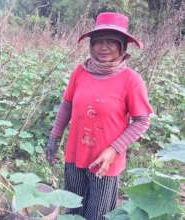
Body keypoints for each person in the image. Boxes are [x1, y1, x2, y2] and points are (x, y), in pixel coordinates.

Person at [46, 12, 153, 220]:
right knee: (73, 209)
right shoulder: (80, 72)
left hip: (105, 163)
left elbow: (141, 121)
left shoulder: (131, 80)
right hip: (75, 155)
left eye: (111, 42)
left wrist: (113, 150)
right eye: (98, 42)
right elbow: (67, 105)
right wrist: (54, 136)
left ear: (123, 46)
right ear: (91, 45)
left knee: (98, 214)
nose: (104, 47)